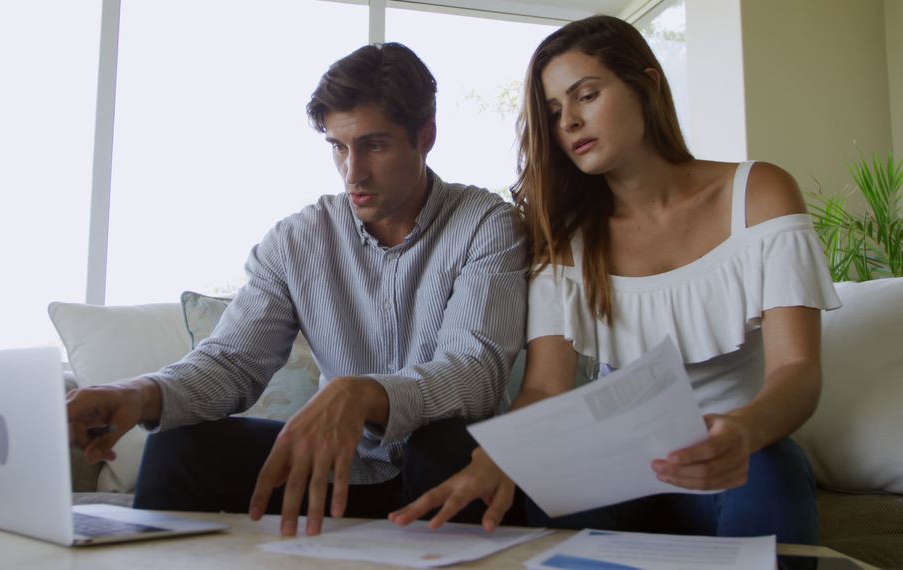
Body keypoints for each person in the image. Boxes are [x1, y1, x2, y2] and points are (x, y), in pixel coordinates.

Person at [390, 15, 840, 545]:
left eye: (586, 95)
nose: (570, 123)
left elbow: (797, 370)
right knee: (544, 474)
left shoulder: (759, 193)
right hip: (617, 468)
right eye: (555, 113)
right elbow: (545, 388)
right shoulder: (566, 235)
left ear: (646, 84)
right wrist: (502, 456)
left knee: (771, 466)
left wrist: (744, 431)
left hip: (739, 458)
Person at [65, 42, 527, 537]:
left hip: (441, 471)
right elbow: (232, 363)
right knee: (177, 445)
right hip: (329, 470)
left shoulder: (487, 224)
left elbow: (475, 373)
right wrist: (141, 392)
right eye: (338, 146)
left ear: (425, 137)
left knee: (447, 439)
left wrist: (364, 393)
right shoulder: (295, 240)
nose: (354, 172)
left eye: (374, 145)